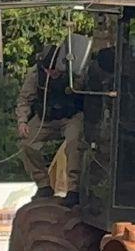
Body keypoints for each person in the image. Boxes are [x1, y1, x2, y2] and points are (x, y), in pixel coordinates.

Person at [16, 45, 85, 205]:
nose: (50, 73)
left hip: (71, 116)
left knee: (74, 143)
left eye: (54, 70)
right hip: (46, 117)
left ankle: (73, 189)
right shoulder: (36, 74)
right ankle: (43, 185)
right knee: (27, 143)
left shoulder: (74, 71)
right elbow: (24, 99)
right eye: (47, 70)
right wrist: (22, 121)